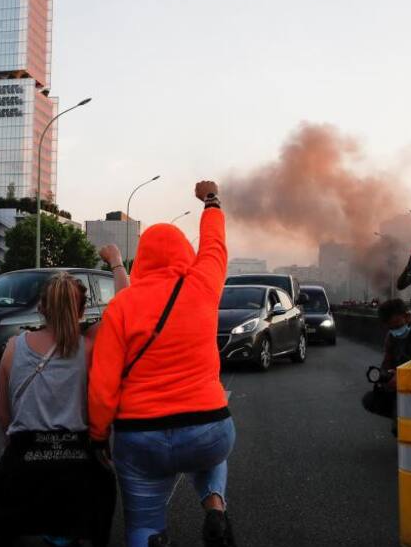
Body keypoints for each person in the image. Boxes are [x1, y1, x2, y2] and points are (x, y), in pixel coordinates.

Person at [88, 181, 236, 547]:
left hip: (140, 436)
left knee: (142, 526)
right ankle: (215, 504)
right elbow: (215, 245)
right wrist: (211, 201)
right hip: (207, 426)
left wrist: (97, 435)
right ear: (185, 253)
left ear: (144, 258)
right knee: (212, 449)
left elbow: (103, 381)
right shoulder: (203, 285)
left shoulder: (122, 305)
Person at [0, 273, 117, 545]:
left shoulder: (14, 347)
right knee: (104, 491)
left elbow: (4, 416)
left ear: (41, 308)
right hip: (76, 463)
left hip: (24, 457)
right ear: (82, 310)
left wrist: (14, 443)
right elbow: (125, 304)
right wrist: (117, 263)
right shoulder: (89, 349)